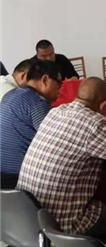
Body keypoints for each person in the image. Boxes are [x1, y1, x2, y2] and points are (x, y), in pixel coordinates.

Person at [17, 78, 106, 247]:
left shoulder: (55, 112)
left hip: (26, 225)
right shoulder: (94, 124)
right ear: (104, 105)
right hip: (60, 229)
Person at [0, 60, 61, 188]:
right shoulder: (37, 102)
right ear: (45, 80)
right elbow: (55, 142)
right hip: (17, 177)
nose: (60, 90)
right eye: (59, 83)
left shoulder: (11, 95)